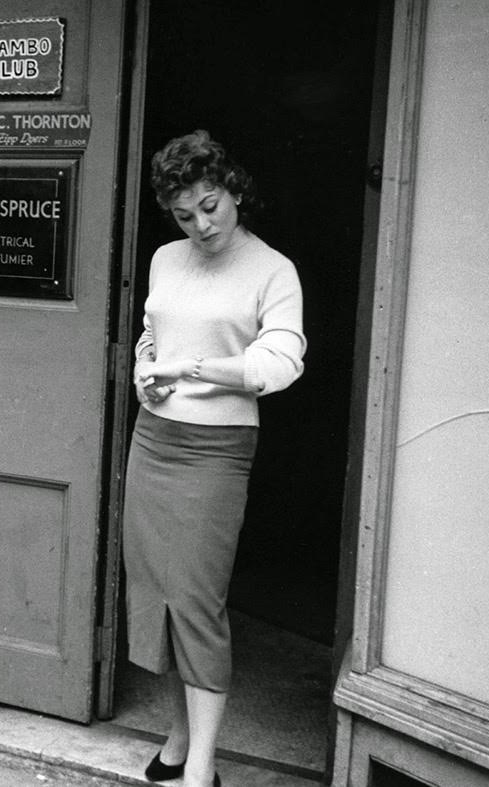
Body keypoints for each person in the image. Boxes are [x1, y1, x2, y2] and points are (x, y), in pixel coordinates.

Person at [123, 130, 305, 787]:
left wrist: (201, 369)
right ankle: (177, 738)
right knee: (158, 596)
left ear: (233, 190)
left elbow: (281, 360)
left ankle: (201, 768)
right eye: (183, 214)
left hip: (217, 450)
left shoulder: (272, 270)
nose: (200, 224)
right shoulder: (167, 259)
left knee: (196, 600)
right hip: (154, 440)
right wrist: (146, 368)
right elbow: (153, 329)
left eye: (210, 205)